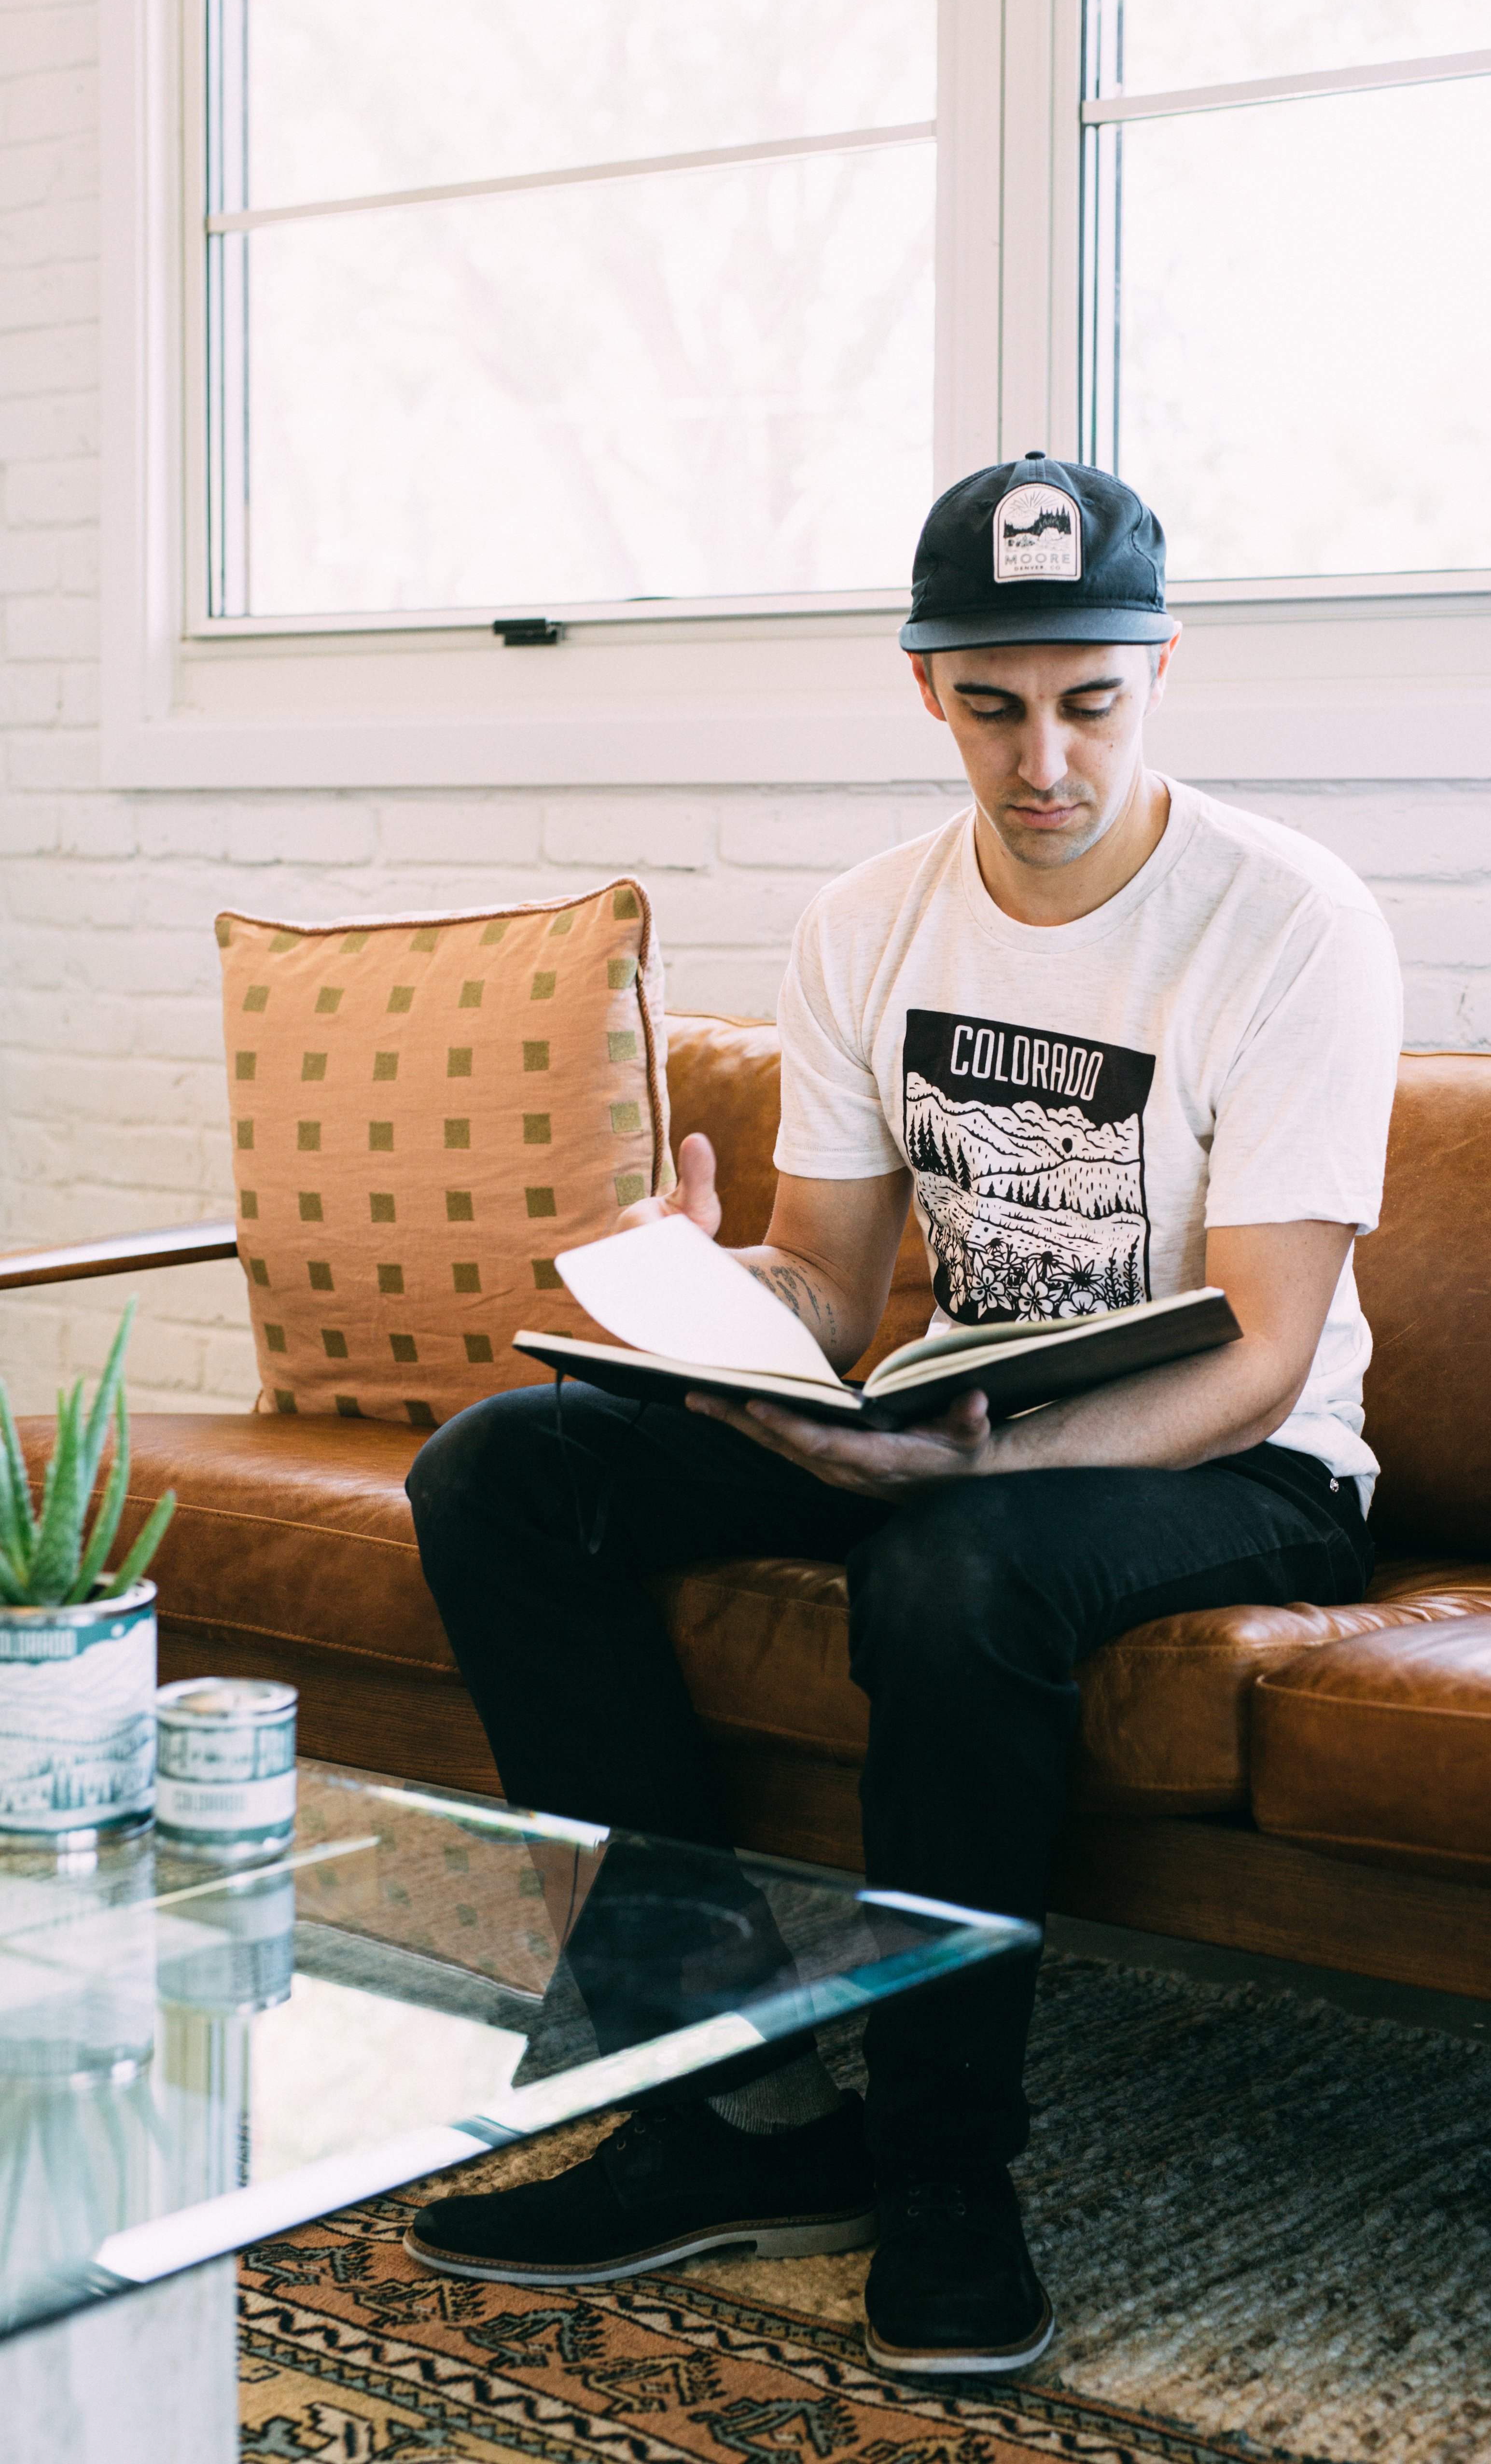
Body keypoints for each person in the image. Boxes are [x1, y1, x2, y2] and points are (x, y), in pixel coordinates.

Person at [403, 453, 1403, 2376]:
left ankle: (944, 2168)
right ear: (925, 688)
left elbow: (1270, 1345)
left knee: (948, 1569)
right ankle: (702, 2105)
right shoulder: (867, 925)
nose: (1045, 760)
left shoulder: (1288, 921)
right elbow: (831, 1290)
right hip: (952, 1433)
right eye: (995, 704)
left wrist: (982, 1468)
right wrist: (707, 1301)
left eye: (1090, 702)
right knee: (507, 1474)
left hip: (1246, 1465)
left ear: (1162, 673)